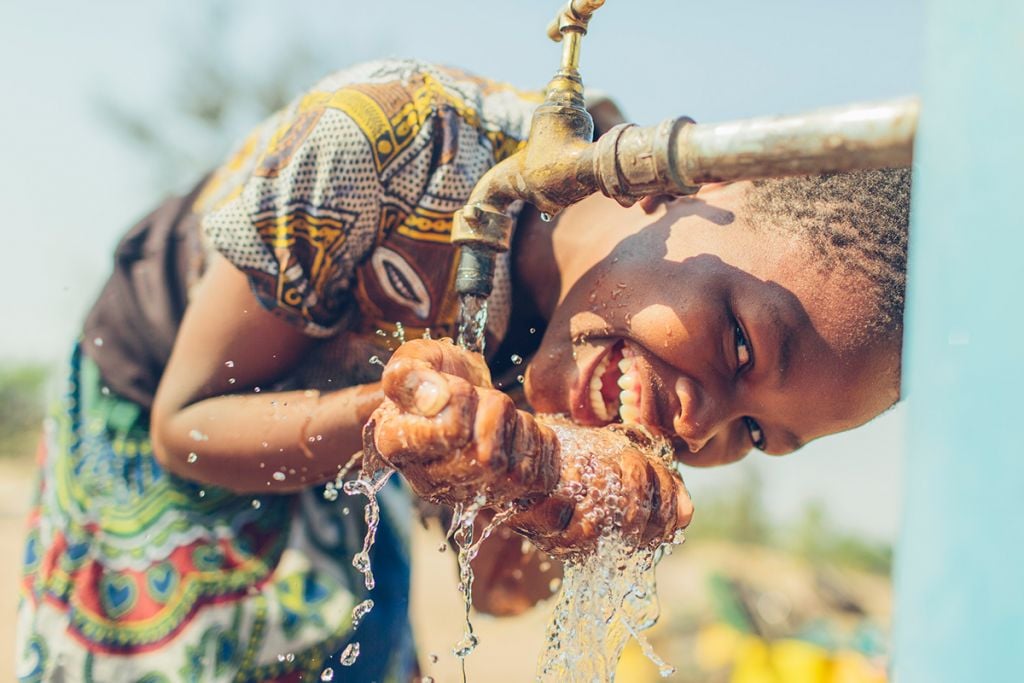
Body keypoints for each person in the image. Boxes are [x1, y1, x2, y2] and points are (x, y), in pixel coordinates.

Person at [16, 56, 910, 682]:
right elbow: (189, 426)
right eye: (744, 344)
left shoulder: (620, 361)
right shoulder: (389, 140)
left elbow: (496, 590)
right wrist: (389, 417)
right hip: (161, 399)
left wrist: (544, 511)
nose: (704, 422)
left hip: (343, 447)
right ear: (686, 189)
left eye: (756, 434)